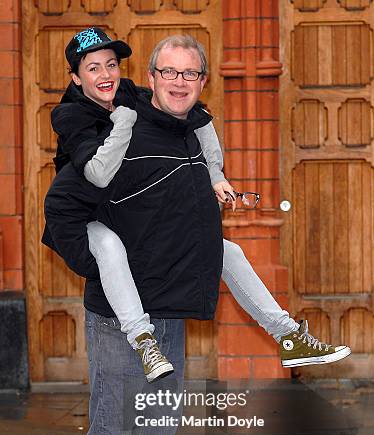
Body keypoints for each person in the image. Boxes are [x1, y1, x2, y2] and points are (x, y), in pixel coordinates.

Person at [43, 32, 351, 435]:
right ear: (153, 78)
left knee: (157, 433)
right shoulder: (113, 131)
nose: (180, 82)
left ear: (201, 82)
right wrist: (96, 262)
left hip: (171, 308)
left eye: (190, 74)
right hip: (122, 316)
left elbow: (189, 217)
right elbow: (67, 206)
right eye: (170, 72)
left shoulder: (192, 136)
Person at [45, 28, 351, 373]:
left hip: (125, 211)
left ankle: (287, 334)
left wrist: (215, 174)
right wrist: (125, 122)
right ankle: (142, 339)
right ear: (75, 77)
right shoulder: (72, 115)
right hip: (83, 211)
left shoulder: (129, 93)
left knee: (226, 250)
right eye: (93, 68)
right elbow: (97, 175)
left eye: (111, 65)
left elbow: (199, 116)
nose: (105, 75)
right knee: (111, 248)